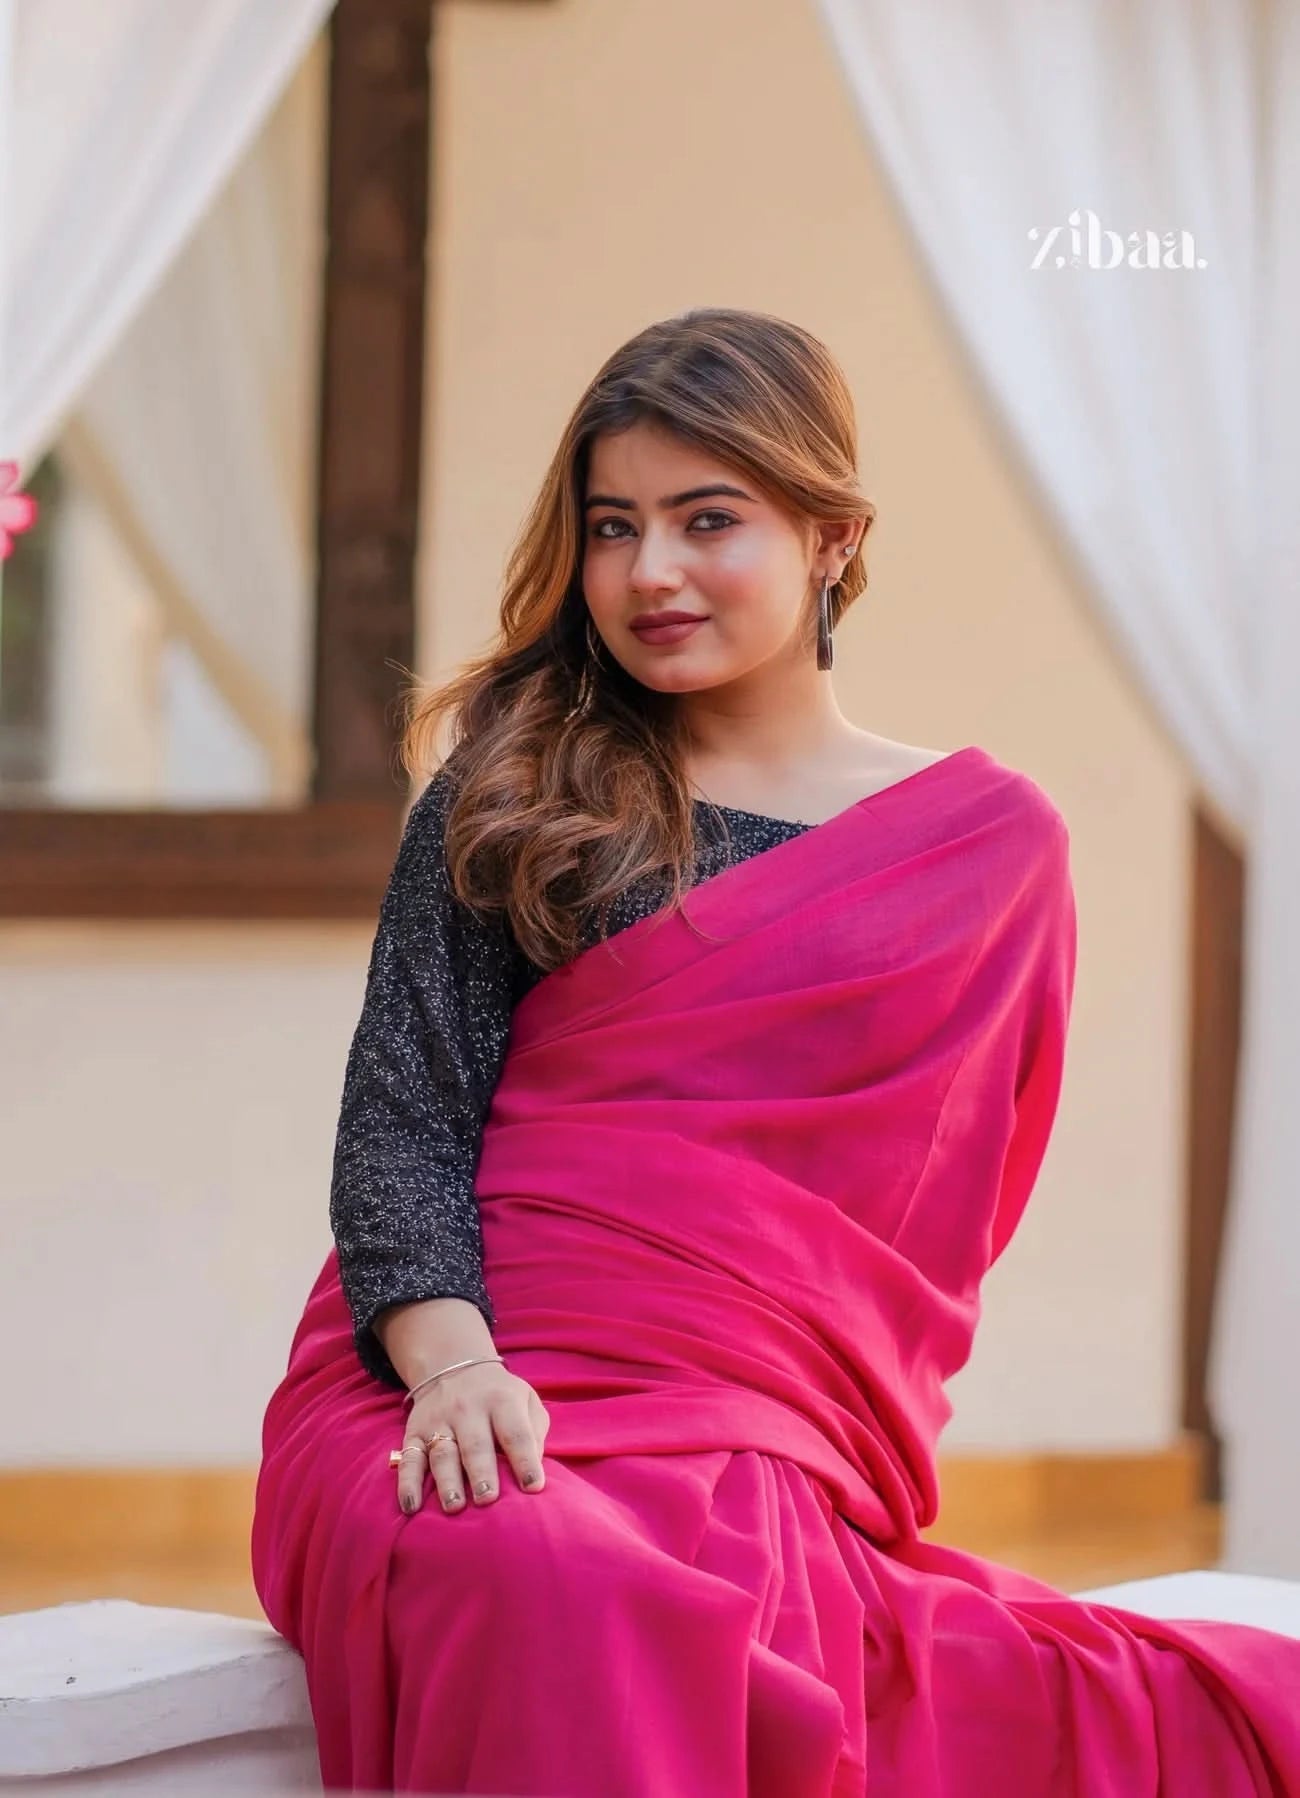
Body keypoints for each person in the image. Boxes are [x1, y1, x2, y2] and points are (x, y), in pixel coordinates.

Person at [251, 308, 1300, 1796]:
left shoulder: (987, 850)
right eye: (613, 527)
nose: (650, 571)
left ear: (831, 538)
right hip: (447, 1382)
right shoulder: (518, 794)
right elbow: (399, 1131)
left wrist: (769, 1410)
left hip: (748, 1415)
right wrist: (458, 1371)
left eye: (707, 519)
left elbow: (924, 1224)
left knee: (784, 1609)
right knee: (555, 1578)